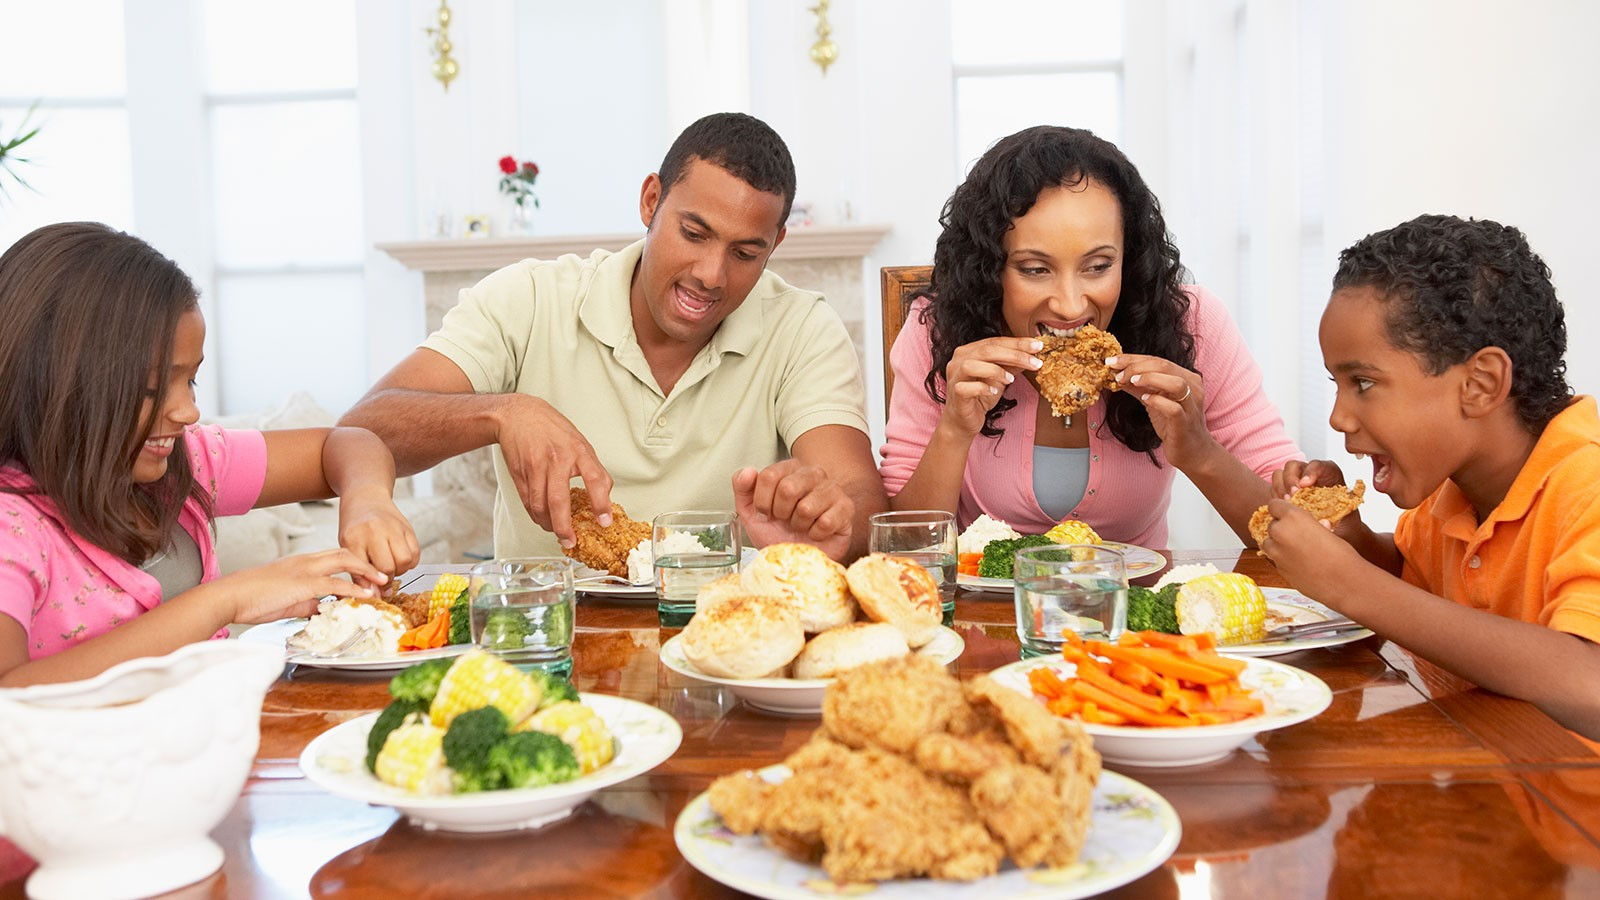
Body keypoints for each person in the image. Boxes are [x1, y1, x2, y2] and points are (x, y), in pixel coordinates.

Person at [341, 112, 884, 561]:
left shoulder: (804, 326)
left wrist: (828, 521)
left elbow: (860, 499)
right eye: (694, 234)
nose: (712, 275)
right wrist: (501, 414)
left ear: (776, 244)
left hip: (724, 629)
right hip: (548, 640)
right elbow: (363, 428)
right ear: (651, 200)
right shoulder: (528, 299)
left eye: (746, 254)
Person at [0, 222, 419, 686]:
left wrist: (367, 500)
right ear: (57, 384)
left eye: (190, 380)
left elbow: (346, 442)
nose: (187, 410)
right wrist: (226, 599)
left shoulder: (184, 464)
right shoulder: (11, 527)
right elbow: (10, 694)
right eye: (152, 388)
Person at [1259, 214, 1600, 741]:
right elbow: (1414, 582)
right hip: (1477, 790)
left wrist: (1350, 583)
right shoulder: (1450, 489)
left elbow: (1587, 682)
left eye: (1363, 383)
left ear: (1480, 384)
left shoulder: (1588, 486)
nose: (1338, 417)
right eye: (1337, 384)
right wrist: (1350, 538)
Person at [881, 126, 1300, 547]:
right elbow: (905, 546)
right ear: (990, 268)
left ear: (1128, 259)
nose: (1069, 305)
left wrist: (1201, 452)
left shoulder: (1192, 324)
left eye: (1098, 266)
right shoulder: (937, 330)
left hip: (1138, 604)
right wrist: (954, 429)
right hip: (988, 611)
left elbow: (1298, 528)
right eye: (1034, 269)